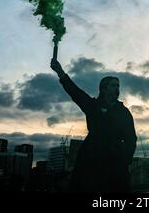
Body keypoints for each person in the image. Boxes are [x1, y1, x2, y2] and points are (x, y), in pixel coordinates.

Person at [50, 58, 137, 193]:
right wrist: (60, 72)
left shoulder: (124, 112)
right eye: (113, 85)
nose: (117, 88)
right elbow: (76, 93)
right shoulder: (93, 106)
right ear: (104, 88)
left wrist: (126, 160)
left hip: (115, 161)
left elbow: (131, 139)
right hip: (91, 159)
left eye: (118, 86)